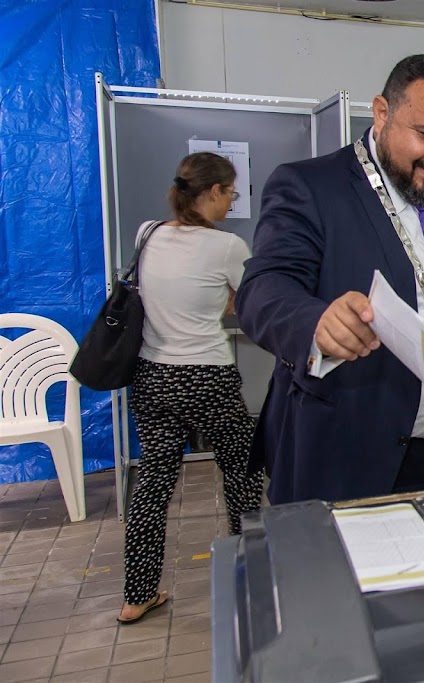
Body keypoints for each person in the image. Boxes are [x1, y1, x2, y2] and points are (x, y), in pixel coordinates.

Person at [236, 55, 424, 505]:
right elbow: (263, 288)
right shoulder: (312, 187)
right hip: (355, 458)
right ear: (382, 113)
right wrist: (316, 322)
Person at [119, 152, 264, 624]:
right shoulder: (227, 247)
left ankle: (137, 595)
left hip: (153, 375)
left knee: (153, 486)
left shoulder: (148, 233)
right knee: (242, 477)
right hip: (208, 376)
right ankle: (251, 584)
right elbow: (252, 304)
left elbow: (158, 293)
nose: (231, 203)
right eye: (232, 193)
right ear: (215, 191)